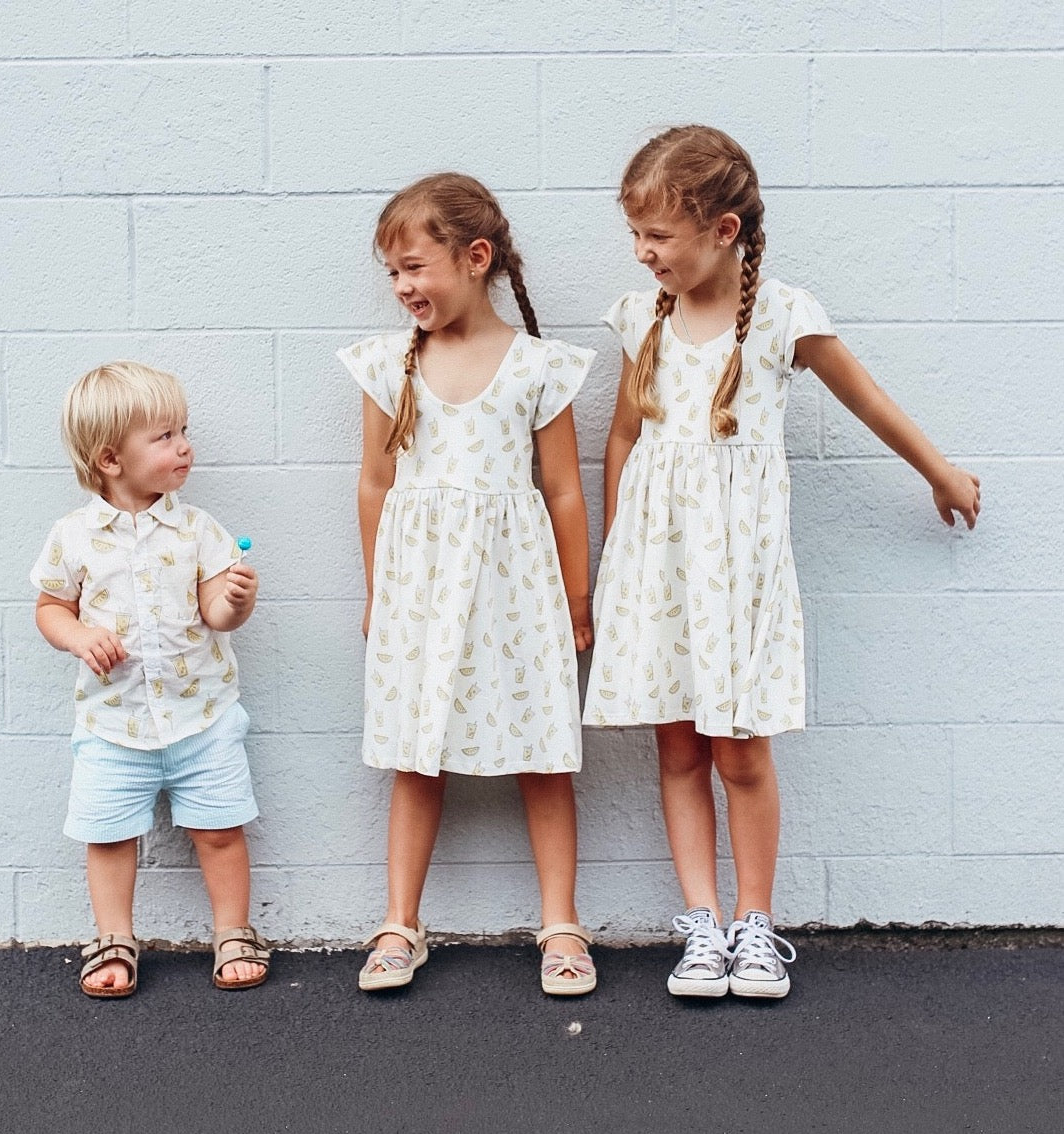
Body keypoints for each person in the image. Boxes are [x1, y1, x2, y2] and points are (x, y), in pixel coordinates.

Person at [583, 125, 981, 999]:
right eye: (637, 237)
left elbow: (868, 401)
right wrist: (615, 562)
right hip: (656, 565)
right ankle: (702, 927)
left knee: (741, 751)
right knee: (678, 747)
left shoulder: (784, 317)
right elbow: (621, 438)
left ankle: (755, 926)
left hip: (740, 569)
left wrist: (939, 471)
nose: (645, 253)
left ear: (723, 231)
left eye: (660, 236)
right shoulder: (638, 317)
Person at [338, 173, 597, 995]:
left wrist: (577, 597)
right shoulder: (389, 364)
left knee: (544, 752)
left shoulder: (538, 367)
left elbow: (562, 489)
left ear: (475, 258)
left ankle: (561, 924)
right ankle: (399, 924)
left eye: (414, 266)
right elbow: (375, 484)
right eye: (392, 273)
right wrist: (378, 590)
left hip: (518, 587)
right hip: (419, 586)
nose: (402, 286)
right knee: (418, 754)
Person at [30, 361, 269, 998]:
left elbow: (217, 613)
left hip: (202, 719)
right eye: (164, 436)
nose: (184, 446)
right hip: (112, 725)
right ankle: (114, 937)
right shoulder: (73, 537)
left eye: (183, 430)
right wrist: (79, 635)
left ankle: (234, 930)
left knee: (220, 832)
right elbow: (51, 607)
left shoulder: (198, 531)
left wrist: (237, 601)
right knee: (108, 837)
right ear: (111, 458)